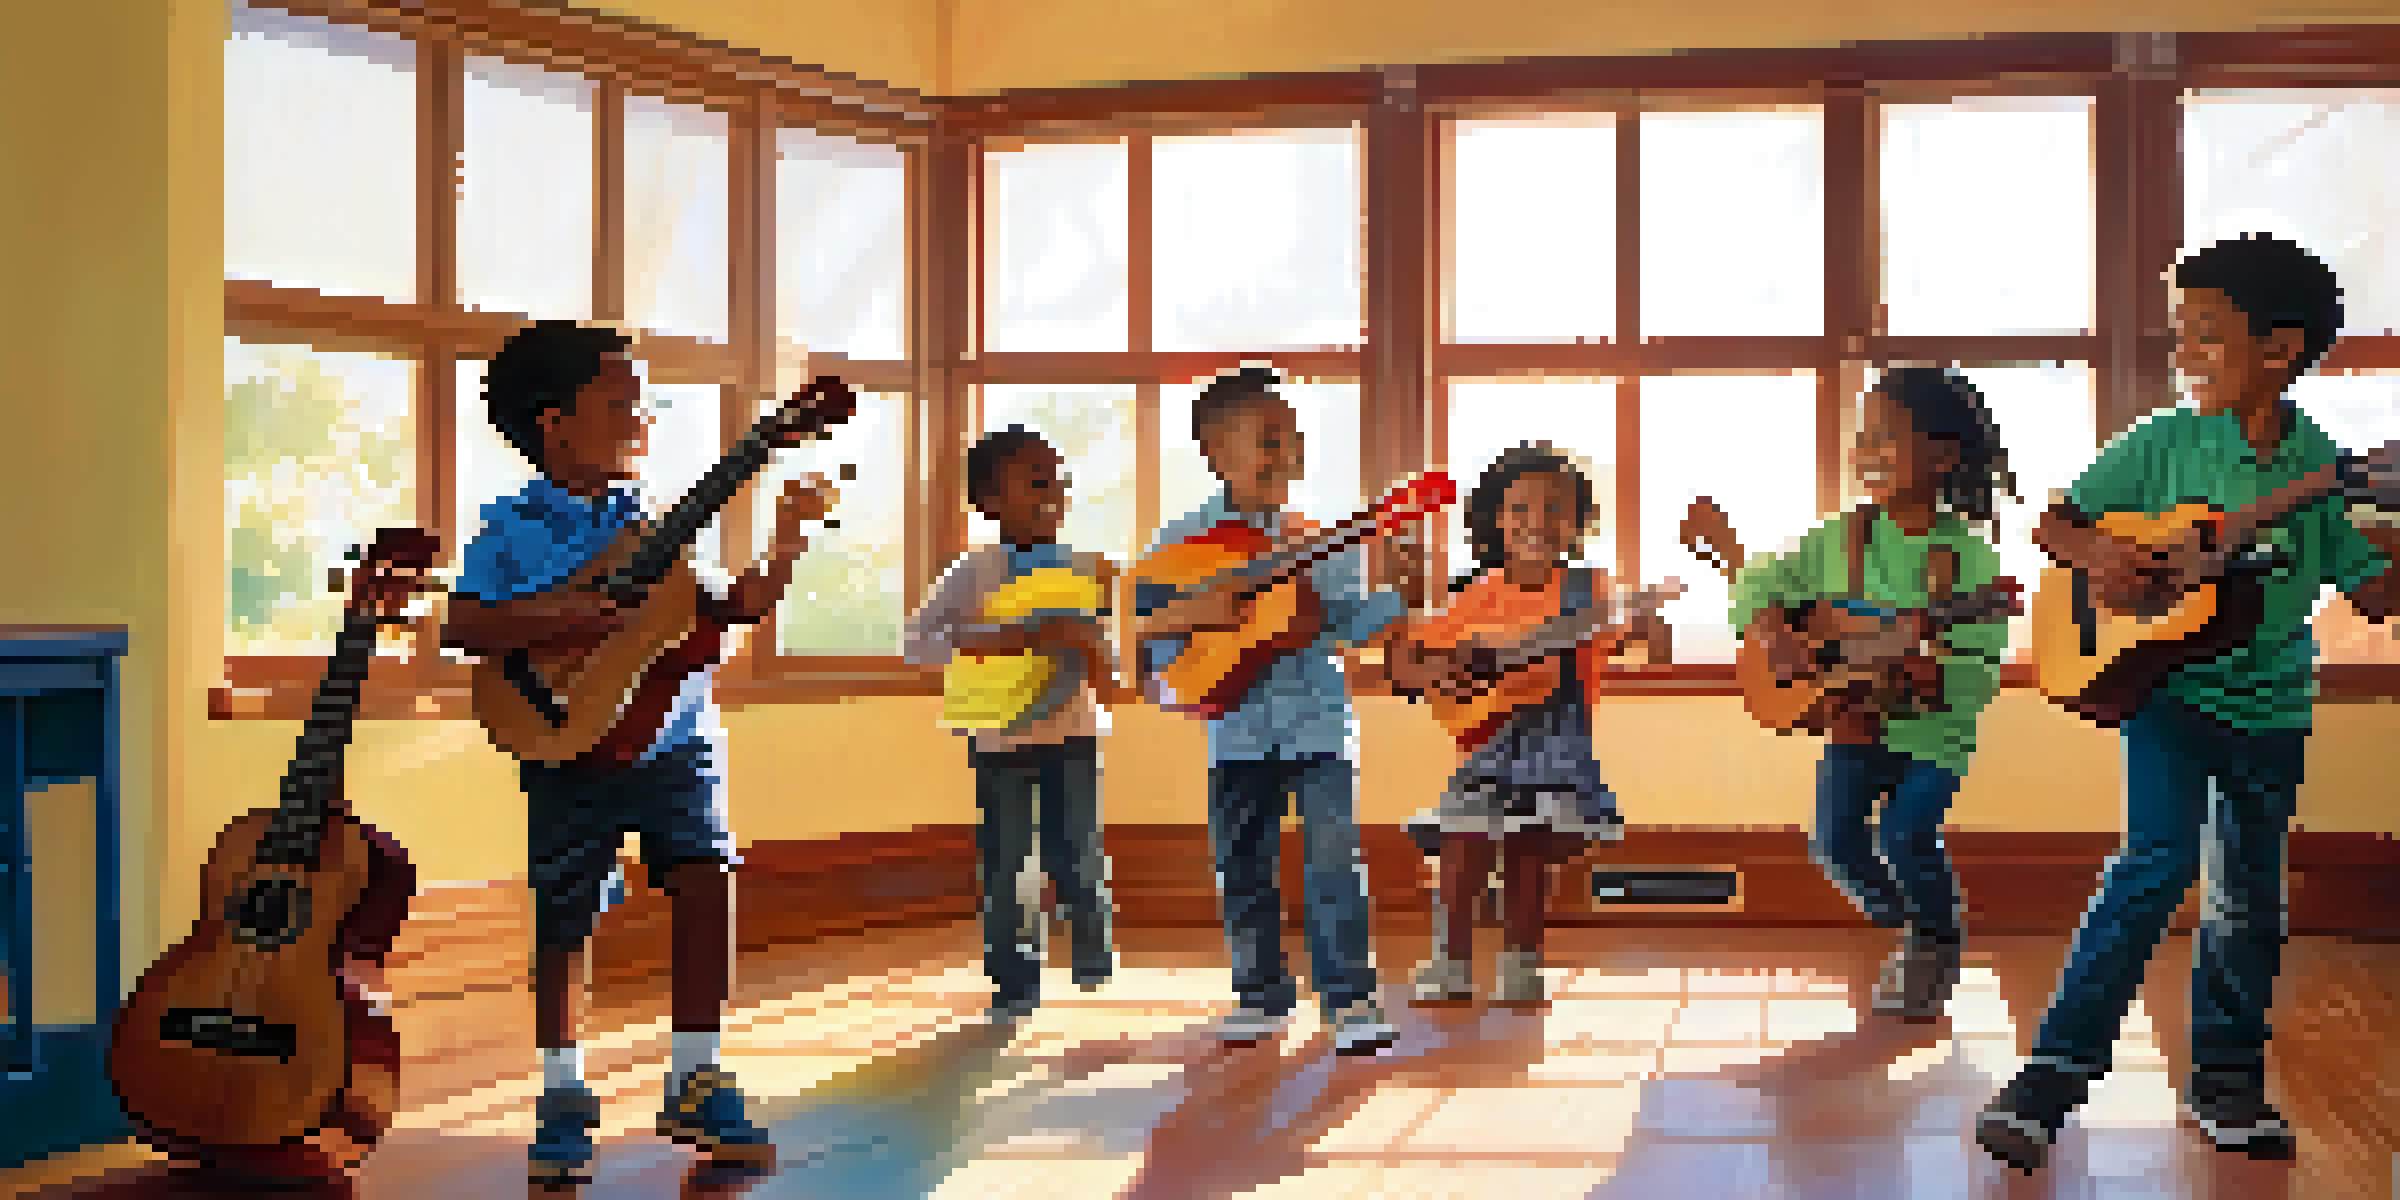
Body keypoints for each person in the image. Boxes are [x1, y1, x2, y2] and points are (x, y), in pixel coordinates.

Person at [1977, 235, 2400, 1172]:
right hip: (2169, 689)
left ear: (2280, 350)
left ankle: (2225, 1083)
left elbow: (2375, 593)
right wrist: (2101, 560)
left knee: (2250, 900)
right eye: (2182, 334)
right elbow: (2058, 523)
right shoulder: (2164, 441)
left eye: (2205, 336)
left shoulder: (2325, 469)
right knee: (2153, 866)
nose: (2184, 353)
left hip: (2272, 705)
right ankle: (2051, 1075)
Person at [442, 319, 825, 1182]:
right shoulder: (513, 529)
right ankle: (563, 1090)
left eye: (642, 400)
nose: (642, 415)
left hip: (677, 739)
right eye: (621, 401)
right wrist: (567, 615)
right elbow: (466, 625)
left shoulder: (653, 524)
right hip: (562, 741)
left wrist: (789, 541)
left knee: (704, 878)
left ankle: (694, 1073)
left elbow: (728, 610)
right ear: (555, 423)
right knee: (565, 914)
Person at [1132, 367, 1410, 1055]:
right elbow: (1141, 620)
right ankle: (1260, 993)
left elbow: (1346, 625)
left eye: (1294, 440)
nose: (1287, 454)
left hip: (1318, 726)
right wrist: (1202, 608)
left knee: (1332, 860)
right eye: (1268, 440)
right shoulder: (1182, 542)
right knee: (1243, 864)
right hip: (1235, 732)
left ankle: (1350, 1000)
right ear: (1214, 452)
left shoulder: (1319, 539)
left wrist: (1399, 590)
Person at [1728, 367, 2015, 1023]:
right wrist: (1776, 633)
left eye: (1886, 438)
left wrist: (1934, 675)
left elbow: (1981, 662)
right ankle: (1916, 921)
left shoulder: (1969, 560)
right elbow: (1758, 584)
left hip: (1932, 735)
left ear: (1943, 457)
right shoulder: (1838, 538)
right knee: (1834, 844)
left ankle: (1936, 940)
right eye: (1863, 439)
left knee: (1908, 829)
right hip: (1855, 725)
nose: (1867, 453)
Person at [1384, 442, 1648, 1007]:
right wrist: (1442, 671)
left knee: (1528, 842)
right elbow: (1410, 660)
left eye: (1555, 508)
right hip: (1485, 750)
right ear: (1493, 522)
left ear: (1578, 521)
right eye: (1519, 509)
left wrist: (1649, 621)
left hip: (1559, 756)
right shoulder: (1475, 596)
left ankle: (1523, 963)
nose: (1537, 523)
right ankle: (1451, 963)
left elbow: (1642, 637)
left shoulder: (1590, 591)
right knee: (1461, 837)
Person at [902, 425, 1132, 1025]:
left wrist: (1099, 647)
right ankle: (1014, 983)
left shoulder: (1088, 567)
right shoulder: (973, 572)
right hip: (999, 740)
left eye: (1058, 480)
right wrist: (1015, 636)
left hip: (1076, 735)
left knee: (1079, 854)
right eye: (1035, 481)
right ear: (989, 502)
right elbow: (917, 643)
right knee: (1007, 867)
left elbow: (1117, 656)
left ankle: (1092, 958)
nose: (1052, 491)